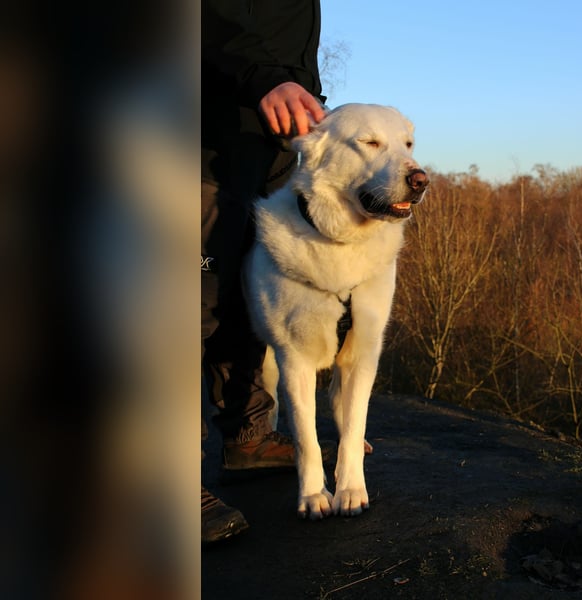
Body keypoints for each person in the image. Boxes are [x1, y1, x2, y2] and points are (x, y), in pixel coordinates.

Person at [201, 0, 327, 544]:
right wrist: (264, 78)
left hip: (267, 140)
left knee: (248, 294)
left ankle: (248, 436)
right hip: (198, 130)